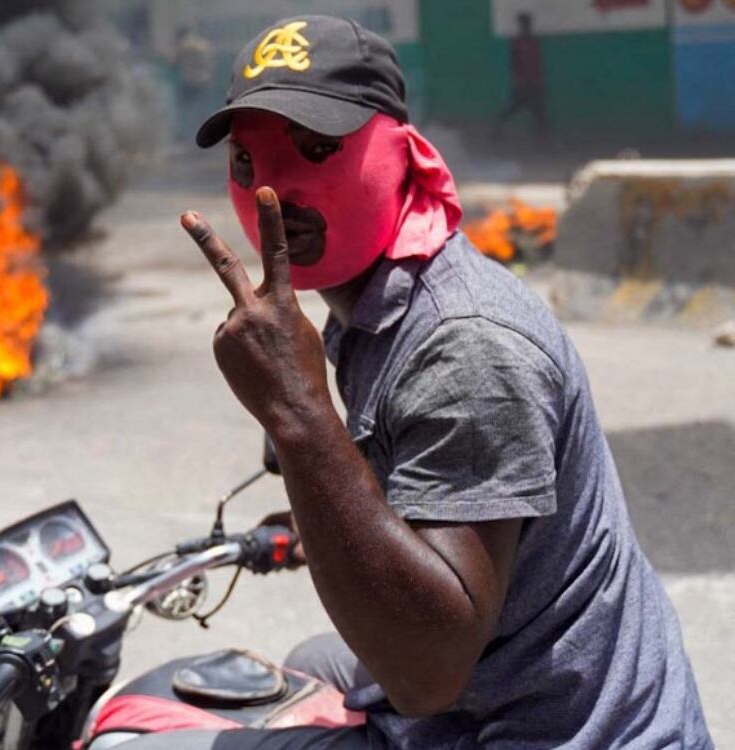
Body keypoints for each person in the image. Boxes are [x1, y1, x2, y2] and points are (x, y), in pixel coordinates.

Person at [128, 15, 712, 749]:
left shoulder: (465, 345)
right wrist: (323, 517)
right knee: (314, 663)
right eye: (249, 161)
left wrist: (298, 413)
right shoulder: (379, 298)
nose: (276, 189)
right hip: (504, 679)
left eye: (317, 150)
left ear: (403, 157)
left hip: (546, 728)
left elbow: (427, 675)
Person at [493, 12, 548, 141]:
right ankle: (495, 132)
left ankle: (543, 139)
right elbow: (514, 62)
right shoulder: (520, 42)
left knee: (536, 112)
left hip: (531, 82)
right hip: (525, 83)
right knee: (517, 109)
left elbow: (535, 62)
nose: (525, 27)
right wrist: (517, 79)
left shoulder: (529, 41)